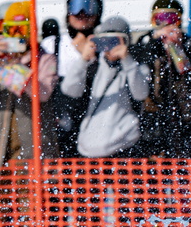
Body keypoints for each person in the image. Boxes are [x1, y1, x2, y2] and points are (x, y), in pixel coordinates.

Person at [0, 0, 59, 168]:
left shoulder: (45, 59)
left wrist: (16, 67)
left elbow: (42, 93)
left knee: (29, 191)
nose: (17, 35)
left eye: (22, 29)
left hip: (31, 146)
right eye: (11, 29)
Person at [130, 0, 191, 157]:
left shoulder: (190, 45)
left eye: (172, 20)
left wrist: (177, 50)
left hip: (183, 116)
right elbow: (140, 67)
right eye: (160, 19)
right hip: (152, 116)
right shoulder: (145, 43)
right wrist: (157, 43)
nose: (165, 25)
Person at [61, 16, 150, 158]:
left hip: (124, 149)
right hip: (89, 148)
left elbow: (141, 94)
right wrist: (83, 60)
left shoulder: (136, 66)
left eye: (116, 41)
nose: (111, 48)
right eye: (105, 42)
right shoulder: (92, 67)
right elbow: (69, 90)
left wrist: (127, 60)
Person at [47, 0, 106, 155]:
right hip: (60, 133)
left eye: (89, 7)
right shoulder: (53, 45)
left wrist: (90, 57)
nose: (82, 14)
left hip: (96, 134)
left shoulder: (106, 47)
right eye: (76, 7)